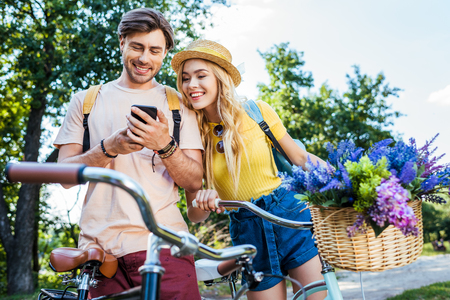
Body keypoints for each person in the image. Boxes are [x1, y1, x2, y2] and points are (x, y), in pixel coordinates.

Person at [53, 8, 203, 299]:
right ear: (121, 42)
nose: (145, 58)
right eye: (137, 46)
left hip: (166, 247)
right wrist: (108, 148)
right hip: (100, 254)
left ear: (164, 54)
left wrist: (164, 143)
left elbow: (194, 181)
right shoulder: (85, 101)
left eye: (155, 50)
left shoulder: (178, 103)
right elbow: (64, 177)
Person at [171, 39, 327, 300]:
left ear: (220, 79)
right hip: (247, 230)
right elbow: (195, 215)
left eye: (201, 76)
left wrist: (345, 179)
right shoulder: (192, 136)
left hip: (288, 215)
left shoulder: (257, 112)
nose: (191, 85)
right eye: (185, 78)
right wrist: (205, 201)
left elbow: (300, 157)